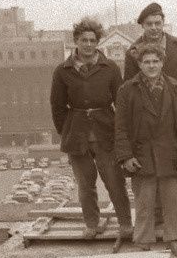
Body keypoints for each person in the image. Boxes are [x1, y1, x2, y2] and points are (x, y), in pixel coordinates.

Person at [50, 17, 132, 240]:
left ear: (98, 42)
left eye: (92, 40)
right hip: (77, 136)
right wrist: (67, 131)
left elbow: (121, 103)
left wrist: (119, 133)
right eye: (83, 40)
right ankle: (91, 224)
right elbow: (57, 108)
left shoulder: (110, 68)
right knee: (85, 185)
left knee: (115, 181)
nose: (88, 44)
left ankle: (125, 223)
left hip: (106, 133)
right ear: (76, 41)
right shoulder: (62, 71)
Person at [123, 2, 177, 223]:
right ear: (142, 25)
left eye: (158, 23)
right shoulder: (133, 52)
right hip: (149, 115)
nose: (154, 28)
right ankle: (159, 210)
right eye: (149, 24)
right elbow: (128, 85)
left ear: (163, 23)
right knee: (154, 161)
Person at [115, 45, 177, 257]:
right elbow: (120, 127)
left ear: (162, 62)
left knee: (172, 200)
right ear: (139, 64)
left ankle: (174, 238)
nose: (151, 66)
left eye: (155, 61)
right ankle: (142, 241)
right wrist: (126, 156)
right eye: (146, 62)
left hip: (170, 153)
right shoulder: (127, 90)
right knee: (144, 201)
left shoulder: (176, 88)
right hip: (141, 155)